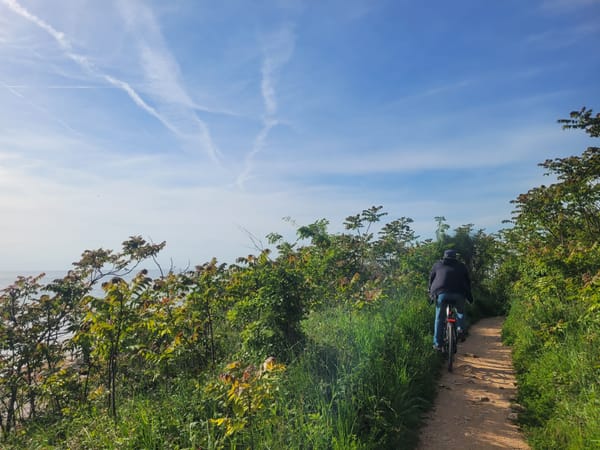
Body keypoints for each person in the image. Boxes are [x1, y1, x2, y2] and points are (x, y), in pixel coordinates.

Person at [428, 249, 473, 351]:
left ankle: (438, 344)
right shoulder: (461, 266)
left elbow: (431, 279)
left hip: (442, 294)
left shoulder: (437, 265)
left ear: (444, 257)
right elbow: (467, 282)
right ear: (455, 257)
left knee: (439, 318)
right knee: (460, 312)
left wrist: (430, 293)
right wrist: (469, 297)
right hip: (459, 294)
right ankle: (460, 329)